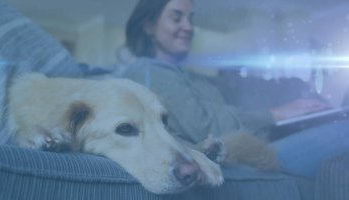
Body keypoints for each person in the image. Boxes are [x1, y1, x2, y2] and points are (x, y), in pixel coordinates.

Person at [117, 0, 349, 178]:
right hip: (237, 155)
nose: (188, 27)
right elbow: (203, 128)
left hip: (257, 142)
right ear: (148, 26)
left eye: (190, 18)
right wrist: (274, 114)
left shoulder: (191, 78)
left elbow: (227, 110)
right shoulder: (147, 70)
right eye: (176, 18)